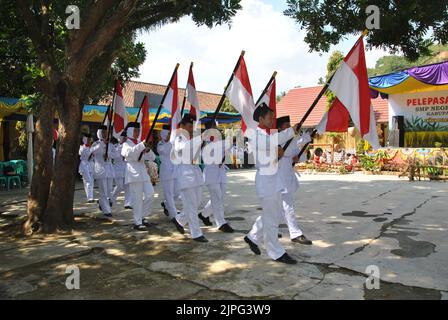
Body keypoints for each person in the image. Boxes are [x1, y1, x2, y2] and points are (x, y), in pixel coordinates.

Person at [244, 103, 301, 265]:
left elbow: (276, 149)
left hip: (274, 180)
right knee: (271, 219)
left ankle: (252, 236)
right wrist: (290, 132)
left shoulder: (268, 135)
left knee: (274, 214)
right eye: (269, 117)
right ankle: (276, 252)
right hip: (266, 181)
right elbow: (271, 145)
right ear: (261, 118)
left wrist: (290, 133)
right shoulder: (255, 135)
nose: (272, 119)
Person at [170, 114, 207, 242]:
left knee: (195, 204)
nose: (191, 129)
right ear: (182, 126)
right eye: (189, 126)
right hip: (185, 175)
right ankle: (196, 233)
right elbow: (183, 149)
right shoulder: (179, 139)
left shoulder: (191, 139)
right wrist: (198, 140)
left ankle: (179, 220)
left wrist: (201, 143)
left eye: (192, 126)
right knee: (191, 205)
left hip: (195, 173)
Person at [276, 116, 313, 245]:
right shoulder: (277, 139)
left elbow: (299, 155)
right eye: (287, 125)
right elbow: (281, 154)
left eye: (289, 125)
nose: (290, 127)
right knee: (287, 206)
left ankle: (271, 228)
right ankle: (295, 233)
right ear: (280, 128)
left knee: (280, 206)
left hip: (287, 176)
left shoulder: (291, 140)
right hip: (279, 177)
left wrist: (298, 156)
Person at [199, 121, 234, 233]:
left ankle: (204, 214)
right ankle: (221, 223)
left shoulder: (218, 140)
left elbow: (226, 148)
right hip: (211, 173)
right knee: (217, 197)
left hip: (221, 171)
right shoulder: (205, 142)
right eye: (215, 127)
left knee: (221, 196)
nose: (217, 130)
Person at [121, 122, 157, 231]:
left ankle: (142, 216)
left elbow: (153, 157)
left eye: (138, 130)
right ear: (130, 131)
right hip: (133, 172)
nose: (137, 133)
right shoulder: (126, 143)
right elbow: (128, 154)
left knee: (150, 194)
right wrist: (141, 145)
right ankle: (137, 222)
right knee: (137, 199)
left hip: (142, 171)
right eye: (135, 131)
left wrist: (148, 150)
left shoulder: (139, 144)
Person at [90, 126, 114, 217]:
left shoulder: (110, 145)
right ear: (99, 133)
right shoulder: (95, 144)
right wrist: (102, 144)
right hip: (100, 169)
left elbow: (116, 155)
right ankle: (106, 210)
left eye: (106, 132)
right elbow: (91, 151)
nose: (105, 134)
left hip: (109, 170)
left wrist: (109, 154)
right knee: (103, 191)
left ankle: (101, 203)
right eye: (103, 132)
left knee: (109, 190)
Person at [157, 125, 179, 219]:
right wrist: (169, 142)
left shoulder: (173, 143)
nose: (170, 135)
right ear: (164, 134)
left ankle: (166, 204)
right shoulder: (160, 144)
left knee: (177, 192)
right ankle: (173, 214)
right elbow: (163, 151)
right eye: (169, 133)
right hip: (166, 172)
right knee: (169, 193)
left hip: (175, 170)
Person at [110, 134, 133, 210]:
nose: (125, 138)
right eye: (123, 137)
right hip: (118, 168)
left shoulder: (128, 145)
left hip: (126, 168)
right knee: (119, 186)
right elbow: (112, 156)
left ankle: (128, 203)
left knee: (128, 186)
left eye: (126, 137)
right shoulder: (115, 146)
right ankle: (111, 200)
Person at [78, 133, 95, 203]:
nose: (89, 141)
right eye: (87, 139)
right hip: (84, 165)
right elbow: (83, 153)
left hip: (91, 165)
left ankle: (90, 197)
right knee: (88, 181)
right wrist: (90, 148)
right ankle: (90, 198)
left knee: (91, 181)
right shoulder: (82, 147)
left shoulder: (92, 147)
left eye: (89, 139)